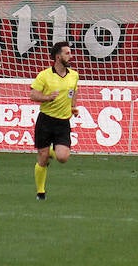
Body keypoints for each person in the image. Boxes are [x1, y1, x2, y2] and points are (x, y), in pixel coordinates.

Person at [31, 41, 80, 200]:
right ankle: (40, 192)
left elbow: (74, 92)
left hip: (63, 123)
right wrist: (47, 98)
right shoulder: (44, 75)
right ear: (58, 57)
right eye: (67, 53)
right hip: (45, 121)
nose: (70, 56)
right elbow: (33, 95)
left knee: (63, 157)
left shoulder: (74, 75)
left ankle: (50, 152)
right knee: (43, 159)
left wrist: (73, 107)